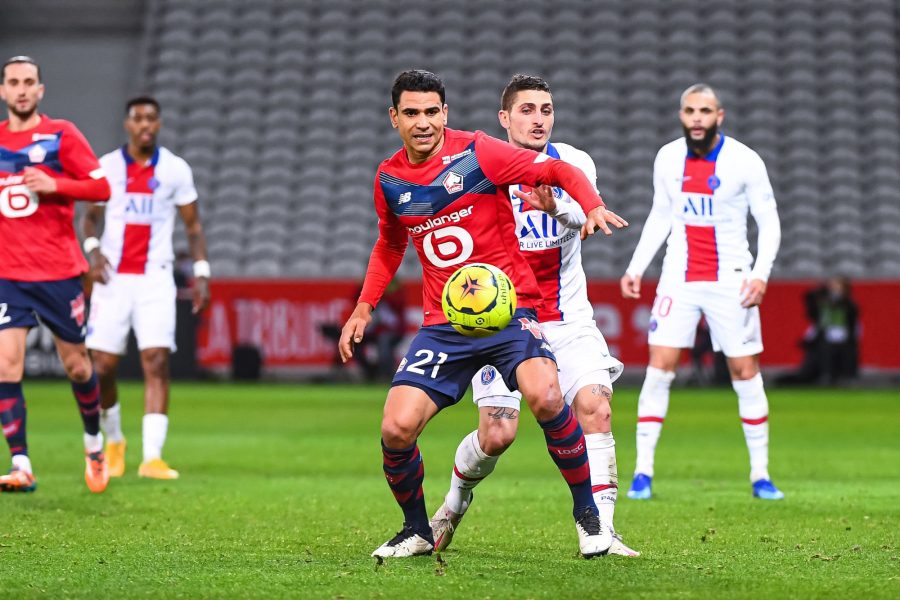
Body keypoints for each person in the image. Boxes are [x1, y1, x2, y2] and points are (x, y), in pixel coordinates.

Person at [338, 70, 627, 559]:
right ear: (395, 119)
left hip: (510, 313)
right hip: (445, 326)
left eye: (432, 112)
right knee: (397, 428)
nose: (424, 123)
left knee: (546, 394)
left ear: (445, 113)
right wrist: (363, 307)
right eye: (412, 113)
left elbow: (554, 171)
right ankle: (416, 530)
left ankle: (590, 517)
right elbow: (389, 243)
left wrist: (592, 205)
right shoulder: (388, 178)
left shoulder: (478, 152)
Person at [429, 75, 638, 557]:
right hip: (503, 323)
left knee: (596, 407)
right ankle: (452, 506)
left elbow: (583, 223)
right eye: (526, 110)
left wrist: (560, 210)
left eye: (545, 109)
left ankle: (602, 532)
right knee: (498, 434)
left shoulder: (574, 163)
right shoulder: (476, 169)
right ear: (504, 118)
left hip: (567, 318)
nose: (538, 118)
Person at [620, 83, 784, 501]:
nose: (696, 118)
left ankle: (761, 476)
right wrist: (637, 266)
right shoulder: (667, 157)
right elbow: (661, 214)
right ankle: (642, 474)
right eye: (690, 110)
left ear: (719, 116)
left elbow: (769, 221)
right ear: (681, 115)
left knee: (745, 372)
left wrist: (761, 273)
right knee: (660, 367)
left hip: (732, 278)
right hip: (679, 276)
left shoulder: (744, 161)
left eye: (705, 111)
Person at [81, 96, 210, 480]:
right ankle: (116, 440)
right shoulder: (106, 167)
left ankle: (152, 456)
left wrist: (201, 272)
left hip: (156, 275)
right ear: (127, 125)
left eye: (152, 118)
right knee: (102, 367)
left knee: (156, 360)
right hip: (113, 278)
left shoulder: (174, 169)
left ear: (159, 123)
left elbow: (193, 227)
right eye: (138, 119)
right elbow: (88, 219)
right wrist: (92, 253)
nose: (145, 125)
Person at [0, 56, 111, 493]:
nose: (22, 89)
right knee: (7, 364)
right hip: (8, 275)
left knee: (77, 367)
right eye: (13, 82)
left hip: (59, 273)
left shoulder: (61, 134)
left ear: (40, 90)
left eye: (29, 82)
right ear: (3, 91)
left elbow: (101, 187)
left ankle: (93, 444)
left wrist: (56, 184)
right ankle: (21, 464)